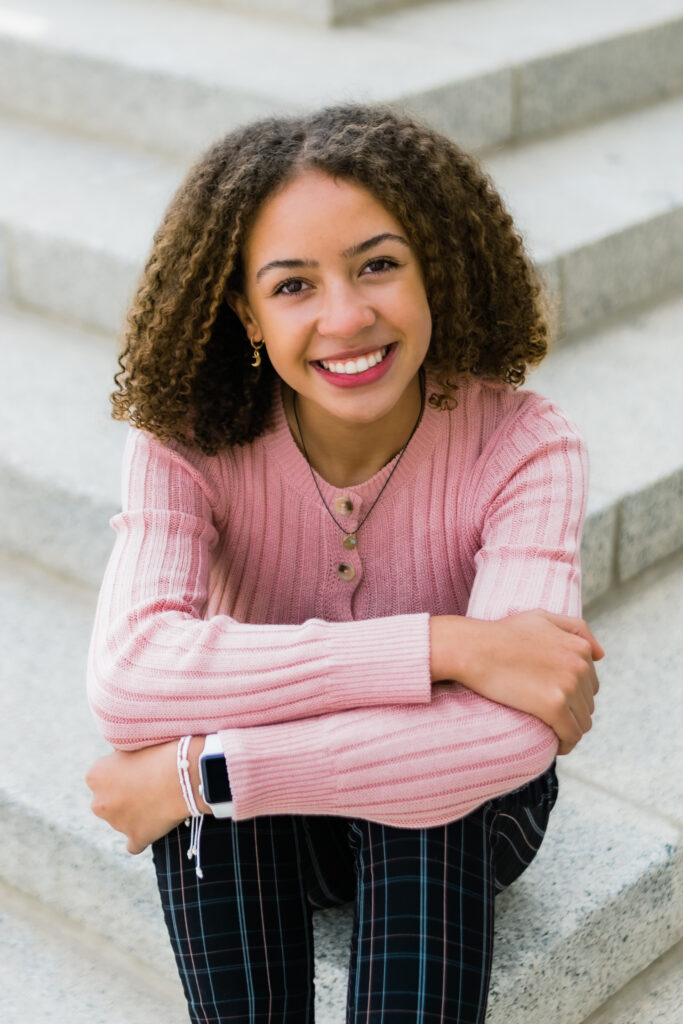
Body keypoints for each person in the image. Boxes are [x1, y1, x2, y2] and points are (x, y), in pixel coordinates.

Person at [85, 104, 603, 1024]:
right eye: (291, 286)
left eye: (377, 265)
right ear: (244, 309)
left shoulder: (523, 444)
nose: (345, 317)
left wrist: (202, 773)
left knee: (425, 811)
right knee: (218, 816)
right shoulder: (187, 445)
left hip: (470, 822)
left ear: (432, 268)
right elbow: (129, 680)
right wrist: (446, 646)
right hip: (281, 840)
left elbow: (512, 736)